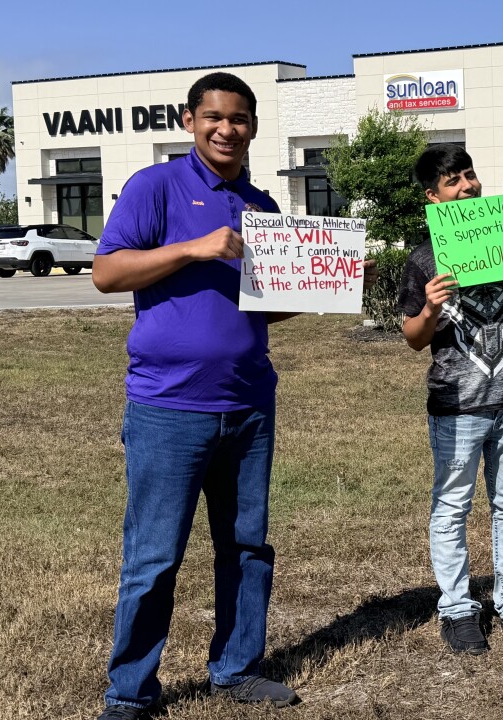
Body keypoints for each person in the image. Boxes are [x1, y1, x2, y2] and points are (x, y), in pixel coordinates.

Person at [91, 72, 316, 719]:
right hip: (168, 407)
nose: (227, 129)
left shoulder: (262, 205)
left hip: (248, 405)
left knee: (247, 548)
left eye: (239, 118)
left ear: (251, 125)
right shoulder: (155, 188)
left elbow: (265, 308)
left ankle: (237, 667)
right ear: (190, 120)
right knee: (153, 558)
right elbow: (108, 271)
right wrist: (195, 248)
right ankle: (129, 694)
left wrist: (319, 285)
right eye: (214, 117)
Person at [398, 144, 503, 654]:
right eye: (453, 180)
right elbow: (413, 336)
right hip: (458, 403)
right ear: (432, 195)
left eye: (470, 174)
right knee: (452, 506)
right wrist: (430, 307)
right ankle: (457, 608)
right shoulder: (422, 258)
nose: (466, 185)